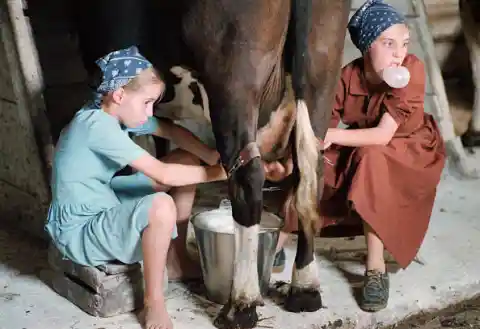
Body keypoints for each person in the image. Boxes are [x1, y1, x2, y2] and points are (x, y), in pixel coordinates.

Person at [264, 0, 446, 313]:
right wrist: (296, 158)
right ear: (365, 48)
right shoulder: (347, 77)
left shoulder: (411, 69)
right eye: (388, 44)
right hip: (364, 144)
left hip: (410, 149)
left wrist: (328, 137)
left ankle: (375, 269)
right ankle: (276, 245)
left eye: (403, 43)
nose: (398, 53)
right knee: (317, 164)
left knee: (370, 159)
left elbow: (381, 136)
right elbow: (321, 129)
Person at [45, 46, 227, 329]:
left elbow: (169, 130)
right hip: (81, 227)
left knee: (187, 161)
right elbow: (163, 172)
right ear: (119, 95)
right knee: (161, 205)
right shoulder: (96, 127)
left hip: (104, 197)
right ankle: (153, 302)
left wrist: (210, 157)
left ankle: (174, 258)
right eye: (147, 102)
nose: (150, 111)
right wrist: (221, 173)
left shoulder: (112, 111)